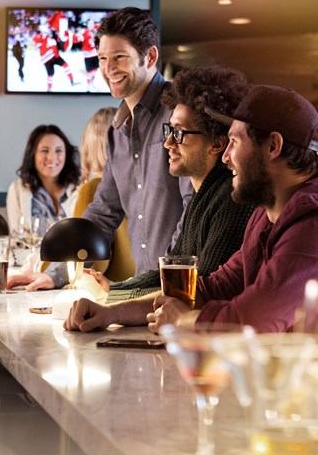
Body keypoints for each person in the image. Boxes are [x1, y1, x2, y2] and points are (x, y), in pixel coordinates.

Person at [66, 84, 318, 334]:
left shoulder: (310, 226)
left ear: (273, 146)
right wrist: (112, 312)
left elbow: (252, 319)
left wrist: (185, 321)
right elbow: (211, 289)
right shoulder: (265, 217)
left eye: (234, 141)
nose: (225, 156)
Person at [9, 7, 192, 291]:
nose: (108, 69)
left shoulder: (178, 114)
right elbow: (102, 215)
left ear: (151, 57)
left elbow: (193, 209)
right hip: (145, 291)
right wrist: (55, 275)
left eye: (120, 57)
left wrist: (166, 276)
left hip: (180, 287)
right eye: (103, 58)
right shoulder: (116, 131)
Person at [6, 124, 80, 233]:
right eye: (45, 151)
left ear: (67, 154)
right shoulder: (17, 190)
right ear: (33, 154)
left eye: (58, 151)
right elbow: (16, 235)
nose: (51, 157)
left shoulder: (80, 188)